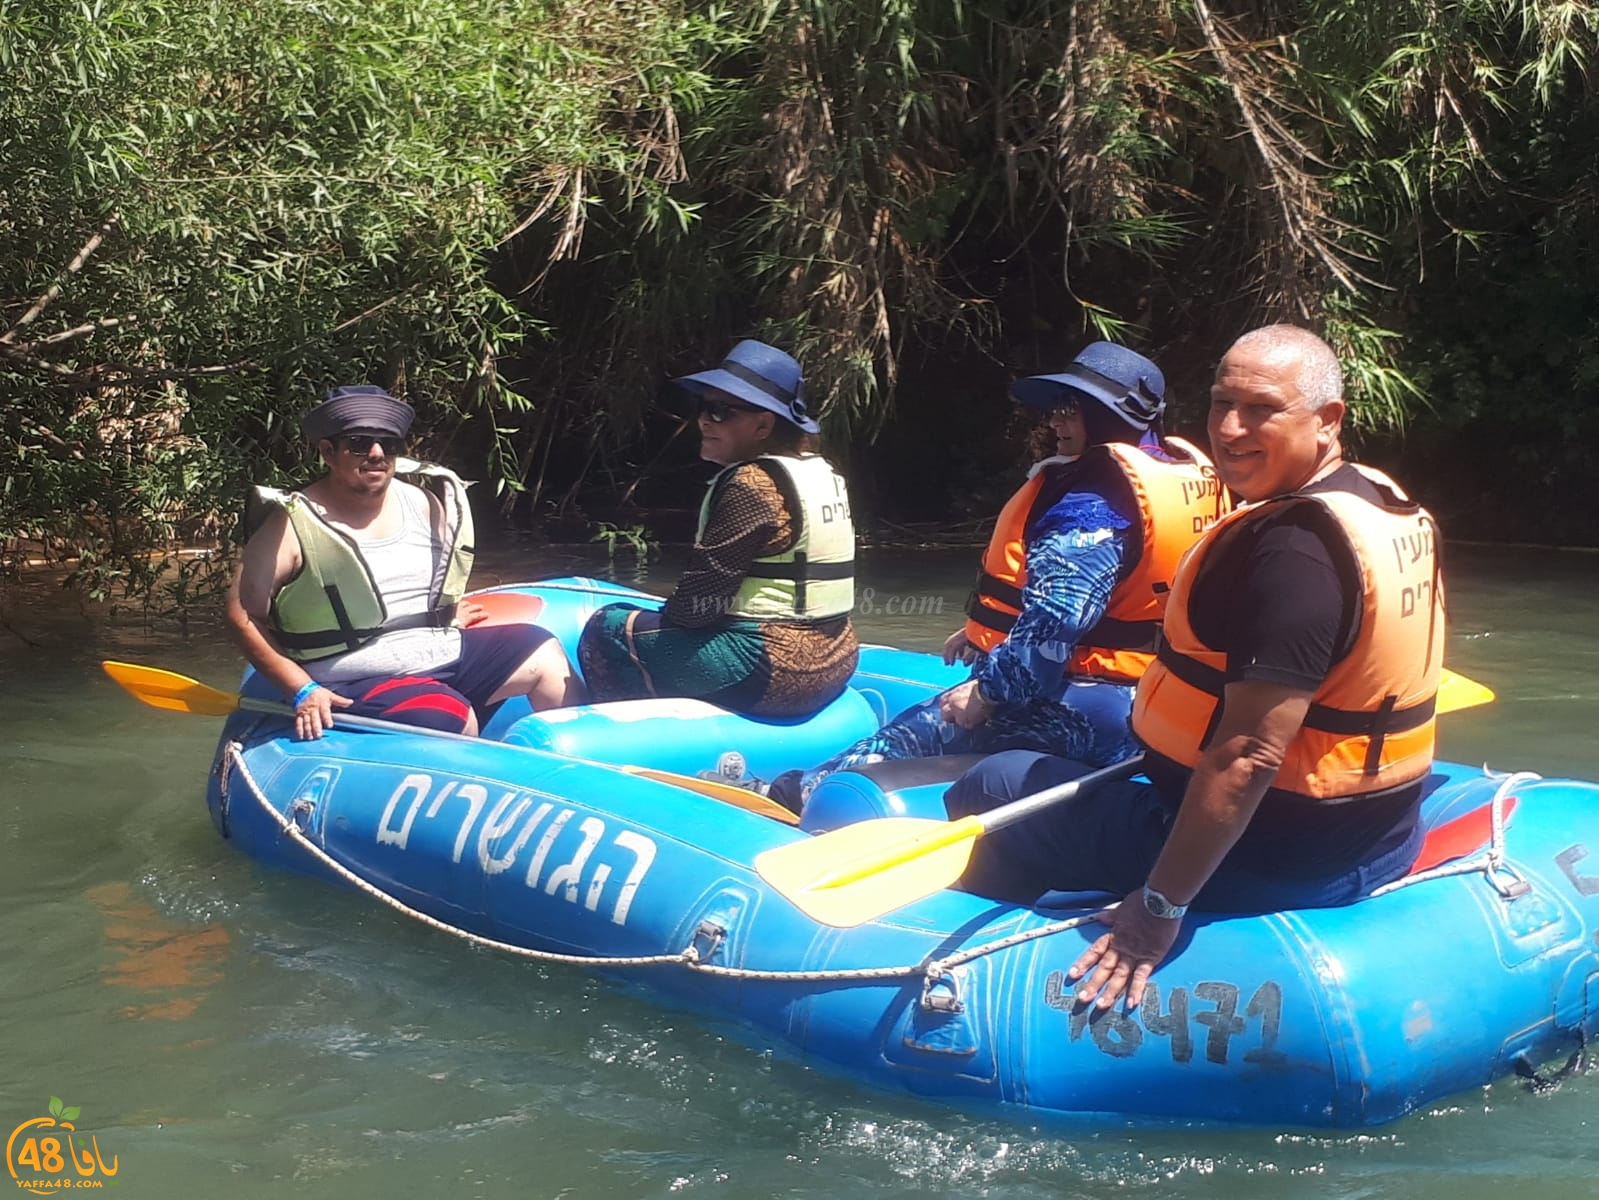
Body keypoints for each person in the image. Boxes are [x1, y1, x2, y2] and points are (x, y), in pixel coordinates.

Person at [943, 325, 1446, 1011]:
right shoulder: (1380, 503)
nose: (1229, 429)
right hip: (1376, 840)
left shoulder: (1295, 553)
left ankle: (961, 985)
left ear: (1327, 421)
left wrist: (1155, 909)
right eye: (1219, 404)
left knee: (994, 786)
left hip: (1278, 856)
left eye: (1260, 409)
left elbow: (1245, 757)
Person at [764, 341, 1226, 813]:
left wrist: (988, 692)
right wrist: (988, 632)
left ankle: (788, 795)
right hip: (1149, 699)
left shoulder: (1091, 503)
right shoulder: (1183, 478)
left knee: (908, 734)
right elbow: (1112, 604)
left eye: (1069, 408)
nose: (1054, 422)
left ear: (1110, 416)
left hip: (1088, 708)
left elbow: (1058, 619)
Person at [227, 385, 585, 740]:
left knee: (544, 653)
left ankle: (580, 774)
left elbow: (418, 584)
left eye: (390, 444)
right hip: (351, 675)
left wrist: (445, 614)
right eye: (359, 442)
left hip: (436, 650)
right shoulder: (289, 524)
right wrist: (300, 688)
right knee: (452, 716)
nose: (377, 453)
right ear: (328, 451)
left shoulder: (423, 502)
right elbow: (241, 614)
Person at [577, 340, 858, 717]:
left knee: (607, 628)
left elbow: (694, 610)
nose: (703, 421)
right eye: (703, 409)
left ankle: (628, 742)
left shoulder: (752, 484)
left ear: (763, 425)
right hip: (837, 660)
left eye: (720, 411)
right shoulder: (821, 472)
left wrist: (651, 622)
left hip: (774, 670)